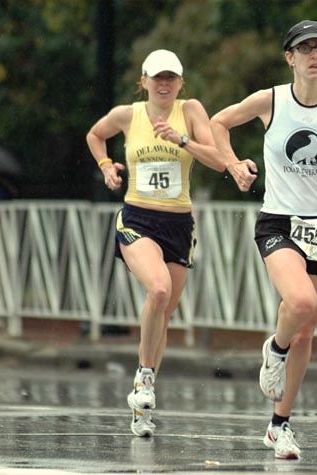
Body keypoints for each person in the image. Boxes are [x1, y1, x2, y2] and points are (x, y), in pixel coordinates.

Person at [211, 20, 317, 459]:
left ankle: (279, 426)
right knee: (299, 305)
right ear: (290, 58)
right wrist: (233, 164)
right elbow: (218, 122)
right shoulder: (272, 100)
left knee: (307, 334)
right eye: (305, 49)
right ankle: (274, 349)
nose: (314, 55)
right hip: (279, 221)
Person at [86, 49, 225, 437]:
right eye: (156, 78)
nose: (164, 84)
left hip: (179, 224)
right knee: (159, 290)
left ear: (180, 83)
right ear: (143, 82)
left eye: (171, 78)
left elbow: (218, 160)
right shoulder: (127, 115)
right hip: (137, 219)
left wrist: (182, 139)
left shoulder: (191, 110)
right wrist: (105, 166)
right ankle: (145, 378)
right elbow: (95, 135)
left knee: (162, 317)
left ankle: (141, 403)